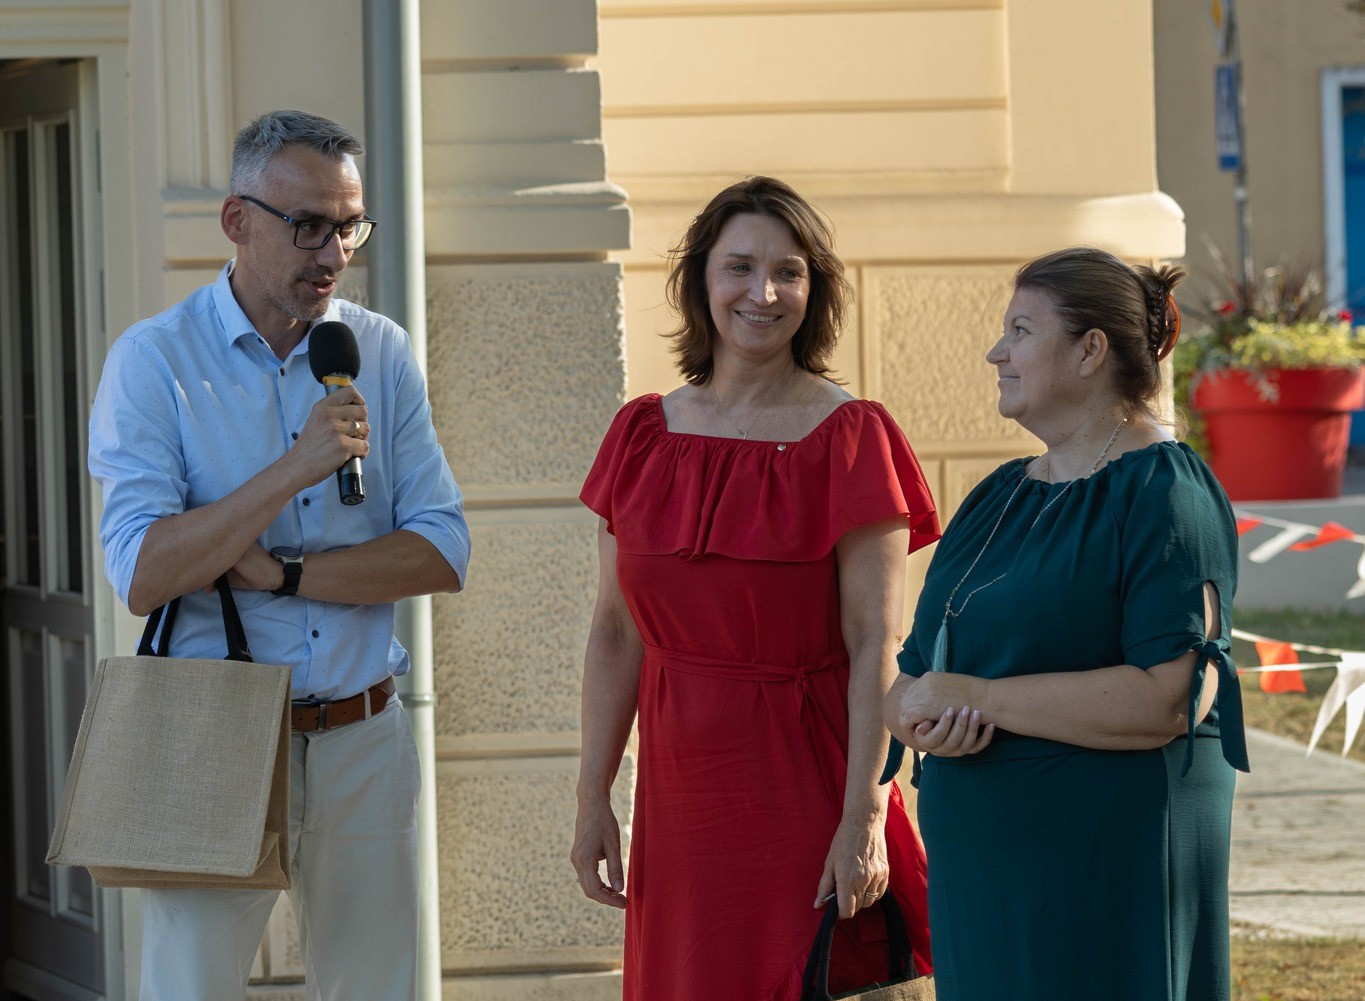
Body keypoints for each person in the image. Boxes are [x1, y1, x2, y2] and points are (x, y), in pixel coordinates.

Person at [88, 110, 470, 1000]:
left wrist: (283, 572)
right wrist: (294, 466)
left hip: (363, 733)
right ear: (236, 220)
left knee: (378, 990)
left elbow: (441, 550)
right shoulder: (154, 362)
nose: (331, 253)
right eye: (306, 224)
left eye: (348, 226)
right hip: (213, 734)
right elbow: (144, 571)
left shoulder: (377, 350)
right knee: (192, 988)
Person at [571, 176, 942, 1000]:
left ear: (815, 291)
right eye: (739, 266)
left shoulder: (852, 438)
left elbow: (876, 646)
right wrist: (593, 793)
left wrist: (863, 818)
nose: (763, 293)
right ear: (701, 280)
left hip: (805, 789)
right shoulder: (640, 433)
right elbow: (614, 633)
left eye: (789, 272)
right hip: (679, 798)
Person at [880, 247, 1249, 1001]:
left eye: (1020, 329)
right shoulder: (998, 496)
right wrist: (914, 713)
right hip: (984, 889)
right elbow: (915, 669)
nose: (996, 351)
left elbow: (1170, 698)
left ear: (1089, 350)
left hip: (1104, 883)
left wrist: (978, 697)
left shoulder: (1164, 493)